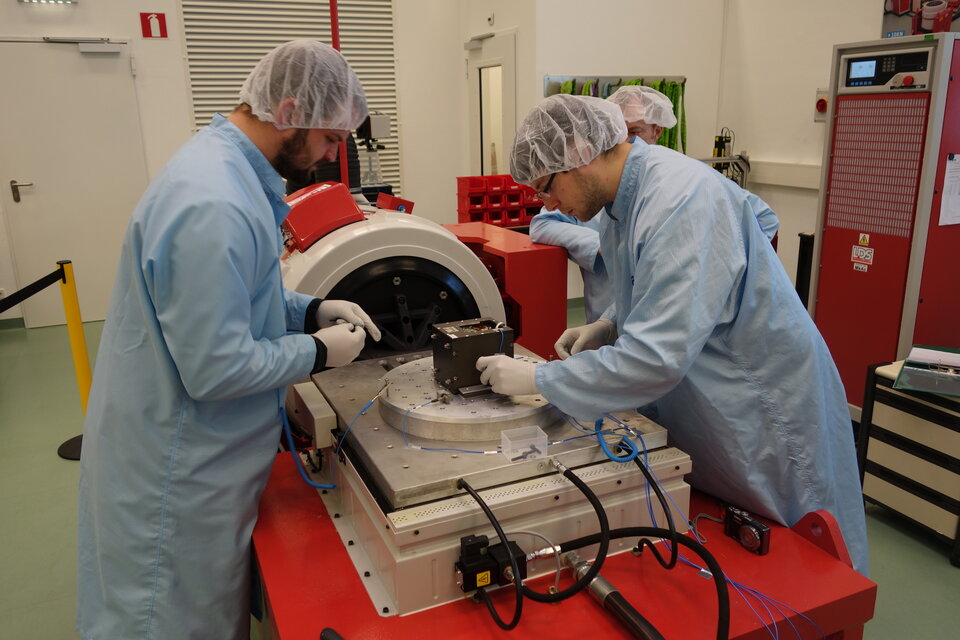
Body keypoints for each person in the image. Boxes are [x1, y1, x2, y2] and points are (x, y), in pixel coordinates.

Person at [477, 94, 868, 576]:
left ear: (579, 151)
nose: (548, 204)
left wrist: (538, 380)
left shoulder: (679, 197)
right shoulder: (621, 203)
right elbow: (654, 283)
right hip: (714, 395)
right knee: (735, 548)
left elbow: (654, 359)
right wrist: (611, 323)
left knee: (802, 562)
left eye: (546, 187)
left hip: (762, 401)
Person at [76, 40, 382, 639]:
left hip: (203, 464)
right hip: (175, 479)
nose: (330, 156)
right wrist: (319, 352)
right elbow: (215, 367)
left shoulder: (230, 173)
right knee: (167, 622)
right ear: (289, 110)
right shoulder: (213, 200)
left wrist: (311, 310)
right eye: (328, 138)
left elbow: (242, 295)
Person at [529, 86, 778, 323]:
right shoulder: (599, 189)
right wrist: (599, 248)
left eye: (634, 132)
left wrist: (714, 272)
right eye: (616, 131)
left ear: (657, 131)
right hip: (618, 320)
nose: (622, 141)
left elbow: (763, 219)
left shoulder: (679, 189)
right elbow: (543, 223)